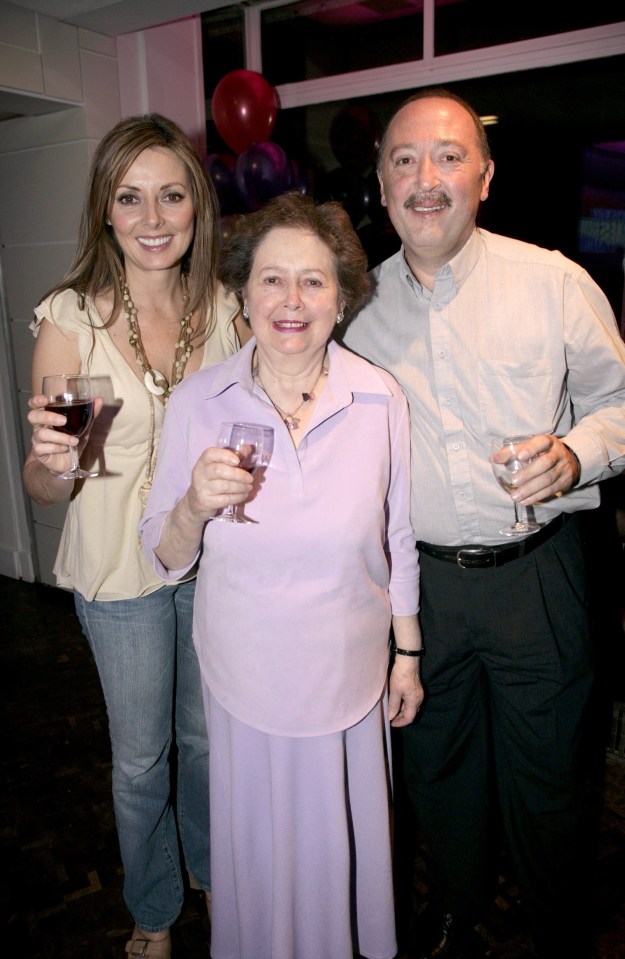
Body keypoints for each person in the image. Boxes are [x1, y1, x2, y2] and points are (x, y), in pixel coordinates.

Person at [340, 87, 625, 959]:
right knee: (435, 765)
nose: (427, 179)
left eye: (449, 156)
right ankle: (458, 900)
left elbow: (619, 403)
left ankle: (556, 925)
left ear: (485, 176)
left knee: (548, 774)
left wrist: (576, 456)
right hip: (417, 592)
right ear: (382, 185)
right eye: (404, 160)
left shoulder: (555, 282)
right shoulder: (345, 309)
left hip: (538, 573)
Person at [139, 191, 424, 959]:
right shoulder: (200, 401)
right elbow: (163, 555)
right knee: (262, 858)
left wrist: (408, 654)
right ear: (242, 290)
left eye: (312, 280)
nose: (290, 300)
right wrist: (194, 505)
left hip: (349, 674)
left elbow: (397, 535)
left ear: (342, 297)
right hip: (246, 679)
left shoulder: (378, 397)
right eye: (270, 279)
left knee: (337, 852)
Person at [23, 113, 250, 958]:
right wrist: (52, 462)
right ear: (105, 210)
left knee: (204, 738)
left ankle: (213, 871)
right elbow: (48, 482)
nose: (153, 218)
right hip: (119, 576)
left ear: (197, 205)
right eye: (130, 197)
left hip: (211, 564)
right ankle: (154, 903)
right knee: (139, 761)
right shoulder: (72, 319)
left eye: (171, 194)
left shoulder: (227, 310)